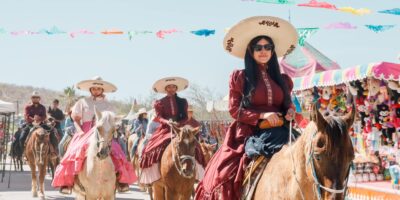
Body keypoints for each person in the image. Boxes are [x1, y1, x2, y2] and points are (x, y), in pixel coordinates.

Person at [195, 16, 298, 200]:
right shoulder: (240, 78)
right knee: (226, 174)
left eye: (268, 47)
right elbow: (235, 110)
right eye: (258, 47)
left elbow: (287, 103)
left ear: (273, 51)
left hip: (282, 130)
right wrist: (262, 115)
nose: (263, 51)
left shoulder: (282, 80)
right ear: (251, 51)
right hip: (250, 132)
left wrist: (290, 111)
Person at [52, 76, 136, 194]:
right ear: (90, 89)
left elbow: (111, 121)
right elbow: (75, 120)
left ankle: (121, 181)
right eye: (94, 88)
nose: (96, 90)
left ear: (102, 90)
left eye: (98, 88)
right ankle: (68, 182)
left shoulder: (108, 105)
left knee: (118, 149)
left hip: (103, 133)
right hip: (85, 131)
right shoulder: (82, 102)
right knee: (73, 150)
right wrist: (80, 131)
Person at [139, 77, 206, 185]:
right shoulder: (159, 102)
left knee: (196, 146)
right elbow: (159, 117)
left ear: (176, 88)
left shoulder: (183, 102)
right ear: (166, 88)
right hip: (166, 128)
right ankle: (154, 176)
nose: (171, 88)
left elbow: (185, 117)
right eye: (169, 87)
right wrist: (168, 122)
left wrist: (179, 124)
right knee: (150, 148)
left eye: (173, 87)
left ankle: (198, 174)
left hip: (181, 128)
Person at [19, 91, 57, 159]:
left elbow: (44, 116)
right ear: (31, 98)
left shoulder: (42, 107)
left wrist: (39, 119)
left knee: (53, 134)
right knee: (21, 138)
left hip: (41, 124)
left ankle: (53, 152)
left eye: (37, 97)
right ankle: (24, 153)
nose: (35, 99)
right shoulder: (27, 107)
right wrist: (33, 119)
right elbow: (27, 116)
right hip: (30, 124)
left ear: (39, 98)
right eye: (34, 97)